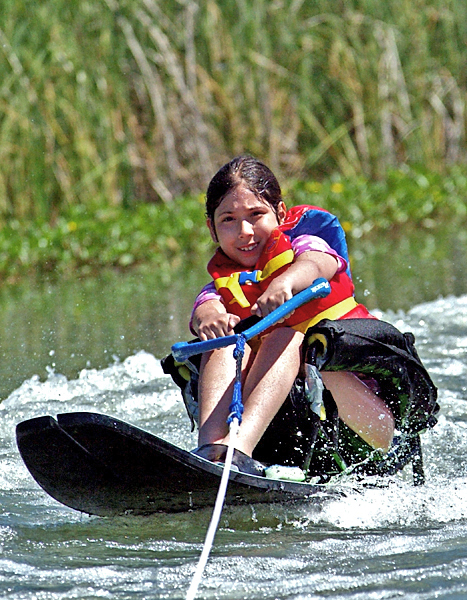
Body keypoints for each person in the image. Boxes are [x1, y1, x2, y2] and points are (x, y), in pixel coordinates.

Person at [189, 155, 395, 475]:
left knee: (287, 337)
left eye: (256, 214)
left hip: (368, 426)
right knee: (223, 341)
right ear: (211, 229)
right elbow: (205, 309)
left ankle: (238, 450)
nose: (244, 231)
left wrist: (286, 282)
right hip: (290, 425)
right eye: (228, 219)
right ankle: (212, 451)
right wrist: (210, 317)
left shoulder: (305, 245)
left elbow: (317, 265)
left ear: (281, 213)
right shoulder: (219, 287)